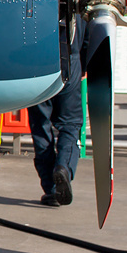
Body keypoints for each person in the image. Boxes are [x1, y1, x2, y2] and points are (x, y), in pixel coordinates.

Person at [29, 15, 87, 206]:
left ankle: (51, 189)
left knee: (40, 126)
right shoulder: (75, 0)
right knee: (70, 124)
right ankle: (64, 167)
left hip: (35, 64)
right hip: (70, 60)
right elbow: (89, 36)